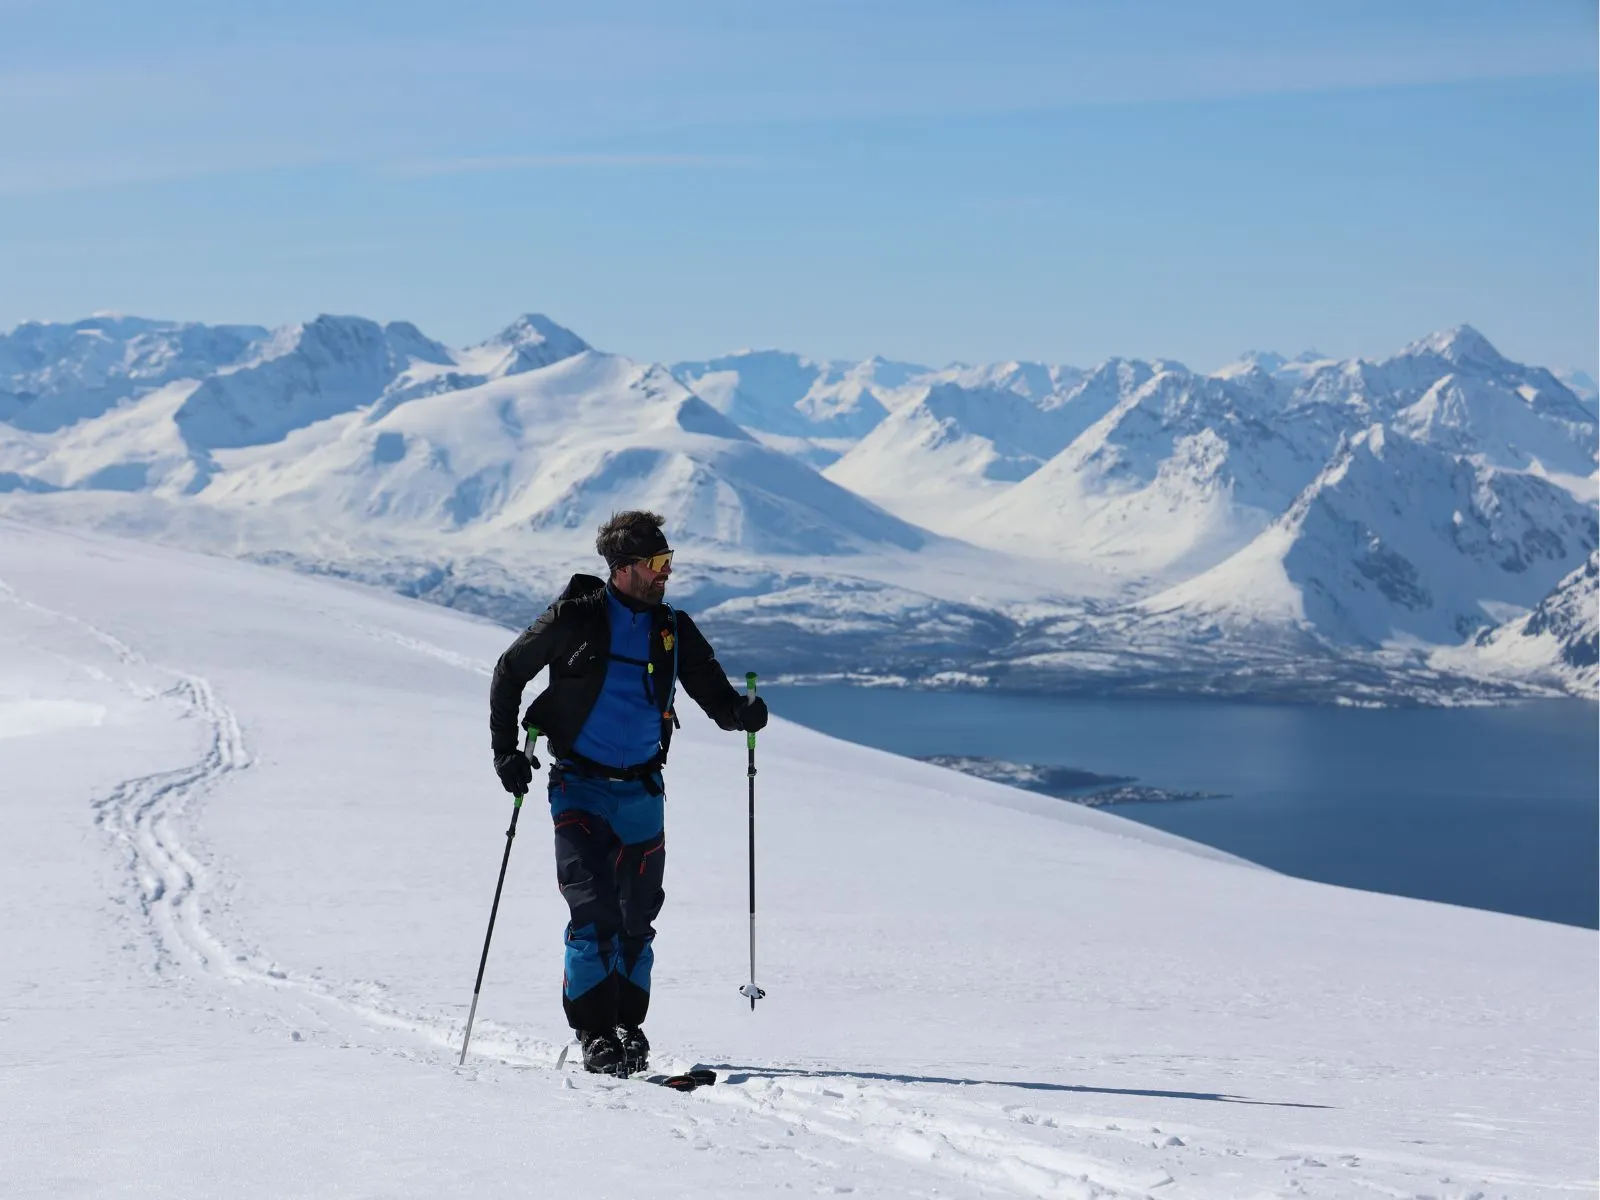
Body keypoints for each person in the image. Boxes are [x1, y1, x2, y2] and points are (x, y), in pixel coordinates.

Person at [488, 510, 769, 1076]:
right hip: (579, 786)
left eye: (669, 561)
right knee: (593, 910)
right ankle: (593, 1031)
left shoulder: (673, 629)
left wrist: (742, 713)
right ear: (623, 568)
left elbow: (714, 696)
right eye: (657, 562)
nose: (667, 572)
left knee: (639, 914)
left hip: (642, 789)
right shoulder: (575, 619)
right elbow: (509, 670)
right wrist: (505, 754)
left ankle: (627, 1025)